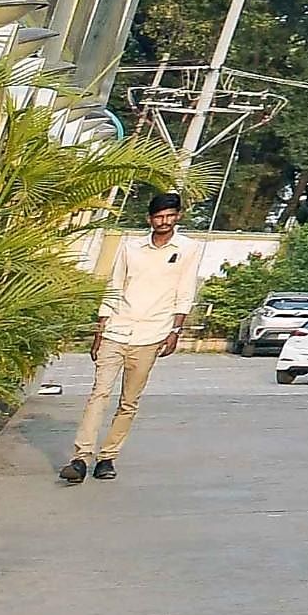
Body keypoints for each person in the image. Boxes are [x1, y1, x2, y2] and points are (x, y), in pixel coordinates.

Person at [65, 198, 193, 483]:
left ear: (178, 216)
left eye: (170, 216)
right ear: (150, 219)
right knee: (98, 394)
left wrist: (175, 331)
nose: (164, 222)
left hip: (152, 334)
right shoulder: (130, 247)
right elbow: (114, 286)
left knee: (129, 401)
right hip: (116, 330)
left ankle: (107, 457)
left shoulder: (188, 249)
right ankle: (81, 458)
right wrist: (100, 330)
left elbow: (185, 291)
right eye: (159, 217)